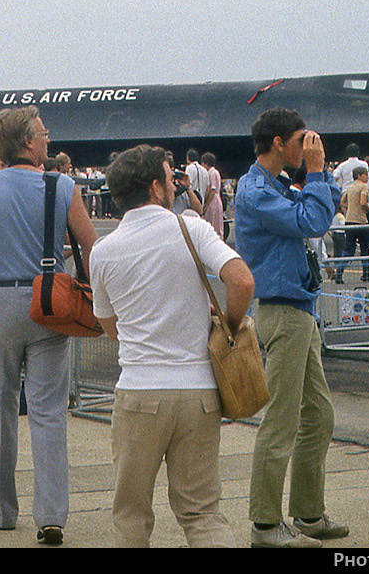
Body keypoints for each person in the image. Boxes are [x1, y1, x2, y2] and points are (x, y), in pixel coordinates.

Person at [90, 144, 254, 548]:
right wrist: (227, 327)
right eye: (170, 175)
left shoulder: (103, 250)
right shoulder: (191, 227)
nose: (175, 182)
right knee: (201, 513)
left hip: (140, 391)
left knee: (131, 514)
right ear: (155, 187)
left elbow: (109, 324)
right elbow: (242, 281)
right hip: (199, 391)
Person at [0, 106, 97, 546]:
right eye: (44, 134)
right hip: (48, 300)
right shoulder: (63, 185)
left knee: (0, 406)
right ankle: (51, 514)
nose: (48, 140)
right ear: (29, 143)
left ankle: (3, 509)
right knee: (49, 409)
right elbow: (91, 245)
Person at [233, 107, 347, 548]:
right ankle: (264, 523)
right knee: (281, 421)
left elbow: (315, 209)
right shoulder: (255, 191)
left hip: (301, 310)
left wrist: (316, 177)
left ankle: (307, 511)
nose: (308, 146)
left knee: (318, 415)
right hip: (283, 312)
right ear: (278, 143)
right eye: (302, 139)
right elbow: (312, 221)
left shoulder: (274, 186)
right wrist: (317, 173)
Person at [334, 165, 369, 284]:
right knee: (364, 247)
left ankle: (339, 272)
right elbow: (363, 202)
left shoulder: (350, 187)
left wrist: (349, 207)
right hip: (361, 220)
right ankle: (366, 273)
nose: (367, 177)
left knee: (348, 248)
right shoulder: (364, 186)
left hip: (349, 219)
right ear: (360, 175)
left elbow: (342, 201)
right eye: (366, 174)